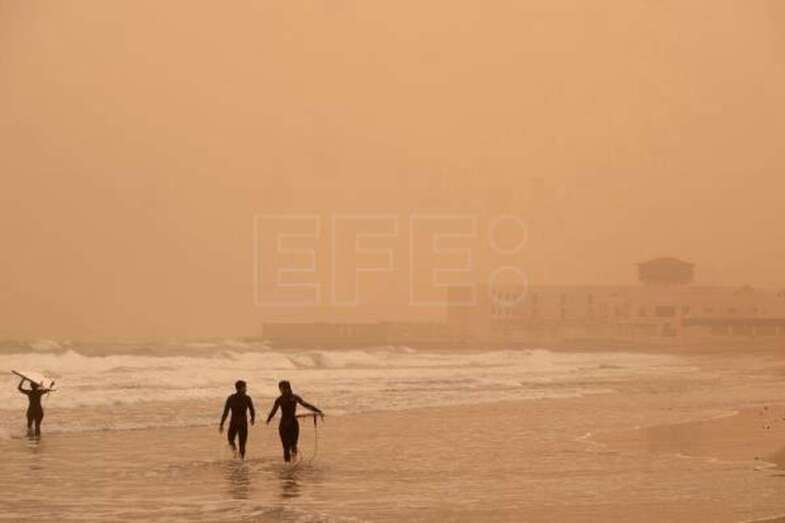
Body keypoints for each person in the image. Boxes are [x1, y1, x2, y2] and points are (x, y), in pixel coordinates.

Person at [266, 380, 323, 462]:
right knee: (285, 447)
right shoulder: (279, 399)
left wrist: (317, 411)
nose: (282, 390)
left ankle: (293, 463)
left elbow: (306, 405)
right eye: (281, 389)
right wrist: (269, 418)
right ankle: (287, 466)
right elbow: (274, 410)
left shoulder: (294, 397)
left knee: (293, 445)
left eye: (283, 388)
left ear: (288, 388)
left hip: (293, 424)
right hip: (284, 425)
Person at [219, 380, 255, 459]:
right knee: (242, 443)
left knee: (230, 440)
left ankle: (235, 453)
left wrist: (221, 424)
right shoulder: (247, 398)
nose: (246, 389)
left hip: (234, 422)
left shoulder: (231, 398)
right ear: (241, 388)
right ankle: (241, 460)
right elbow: (252, 410)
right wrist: (252, 418)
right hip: (243, 423)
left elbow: (226, 412)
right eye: (245, 387)